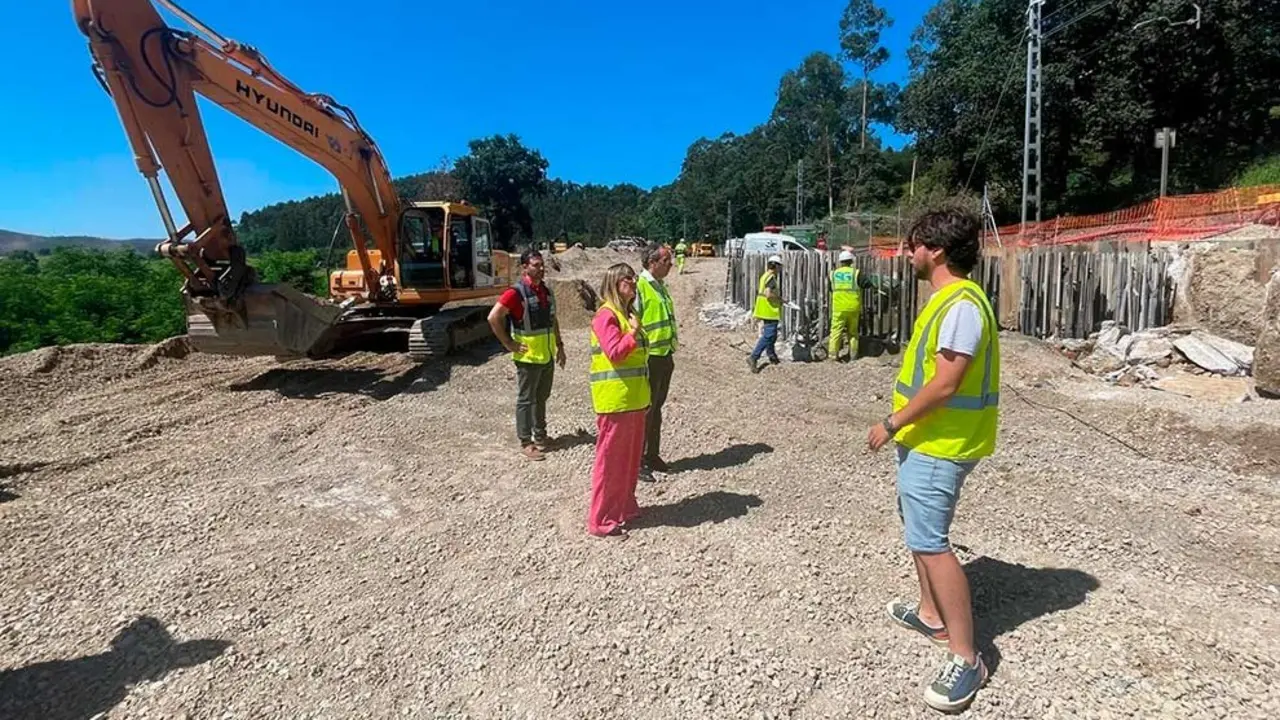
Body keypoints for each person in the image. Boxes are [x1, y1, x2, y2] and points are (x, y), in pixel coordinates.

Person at [865, 205, 1000, 714]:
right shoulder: (949, 300)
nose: (909, 254)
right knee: (918, 528)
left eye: (914, 246)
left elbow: (946, 384)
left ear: (936, 251)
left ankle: (966, 658)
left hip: (941, 444)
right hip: (926, 439)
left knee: (932, 543)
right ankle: (930, 614)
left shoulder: (960, 305)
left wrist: (891, 424)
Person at [587, 263, 651, 537]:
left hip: (634, 399)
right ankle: (600, 520)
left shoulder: (628, 313)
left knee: (630, 461)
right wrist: (633, 333)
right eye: (628, 278)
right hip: (616, 401)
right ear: (615, 282)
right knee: (611, 463)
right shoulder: (606, 315)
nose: (634, 282)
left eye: (634, 277)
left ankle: (624, 506)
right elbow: (615, 352)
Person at [487, 249, 566, 461]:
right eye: (536, 265)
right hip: (528, 359)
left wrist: (560, 346)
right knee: (526, 400)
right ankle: (526, 441)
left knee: (541, 398)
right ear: (524, 268)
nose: (541, 268)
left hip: (546, 356)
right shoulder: (516, 293)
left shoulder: (546, 291)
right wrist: (509, 343)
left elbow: (553, 320)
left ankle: (540, 436)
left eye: (542, 264)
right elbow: (493, 317)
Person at [635, 243, 678, 479]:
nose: (671, 265)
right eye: (666, 261)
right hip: (649, 357)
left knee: (656, 408)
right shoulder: (640, 286)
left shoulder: (659, 286)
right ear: (652, 263)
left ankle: (652, 454)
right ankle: (638, 459)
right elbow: (633, 323)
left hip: (664, 355)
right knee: (646, 410)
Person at [828, 249, 876, 361]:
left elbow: (830, 288)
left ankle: (833, 356)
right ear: (851, 261)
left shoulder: (833, 274)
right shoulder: (856, 273)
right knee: (853, 332)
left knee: (835, 331)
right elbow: (867, 284)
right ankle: (853, 355)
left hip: (838, 307)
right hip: (853, 307)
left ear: (840, 262)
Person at [748, 254, 783, 373]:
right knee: (769, 334)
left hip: (763, 308)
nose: (780, 269)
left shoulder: (765, 276)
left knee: (772, 334)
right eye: (779, 266)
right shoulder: (771, 278)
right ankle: (754, 357)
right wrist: (779, 299)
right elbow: (768, 294)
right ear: (776, 266)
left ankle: (771, 355)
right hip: (769, 310)